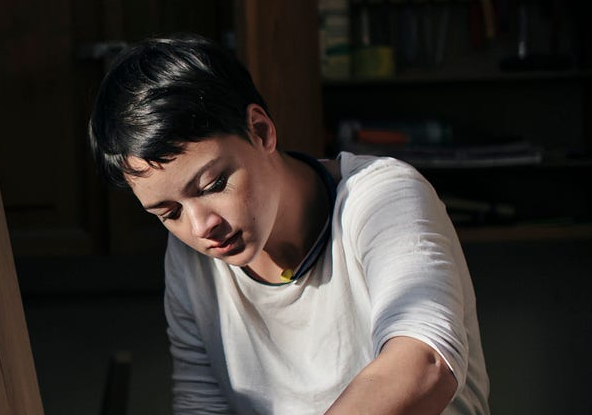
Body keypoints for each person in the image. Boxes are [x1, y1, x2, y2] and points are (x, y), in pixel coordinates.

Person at [87, 34, 489, 414]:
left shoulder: (380, 197)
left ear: (261, 131)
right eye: (169, 213)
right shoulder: (190, 261)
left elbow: (425, 362)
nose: (200, 227)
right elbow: (204, 406)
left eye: (213, 184)